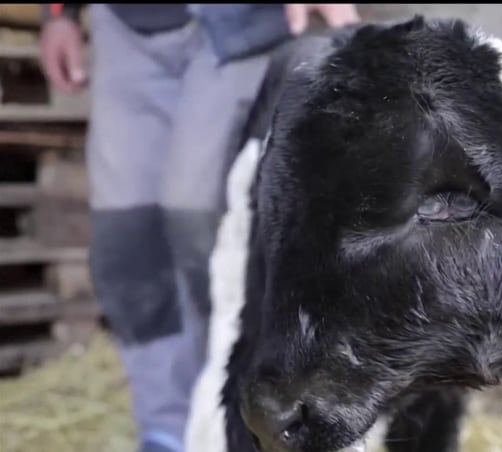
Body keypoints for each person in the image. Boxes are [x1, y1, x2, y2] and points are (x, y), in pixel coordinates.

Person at [38, 4, 360, 452]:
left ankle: (248, 413)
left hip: (238, 25)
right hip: (128, 25)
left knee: (198, 220)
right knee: (126, 239)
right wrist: (59, 13)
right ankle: (168, 427)